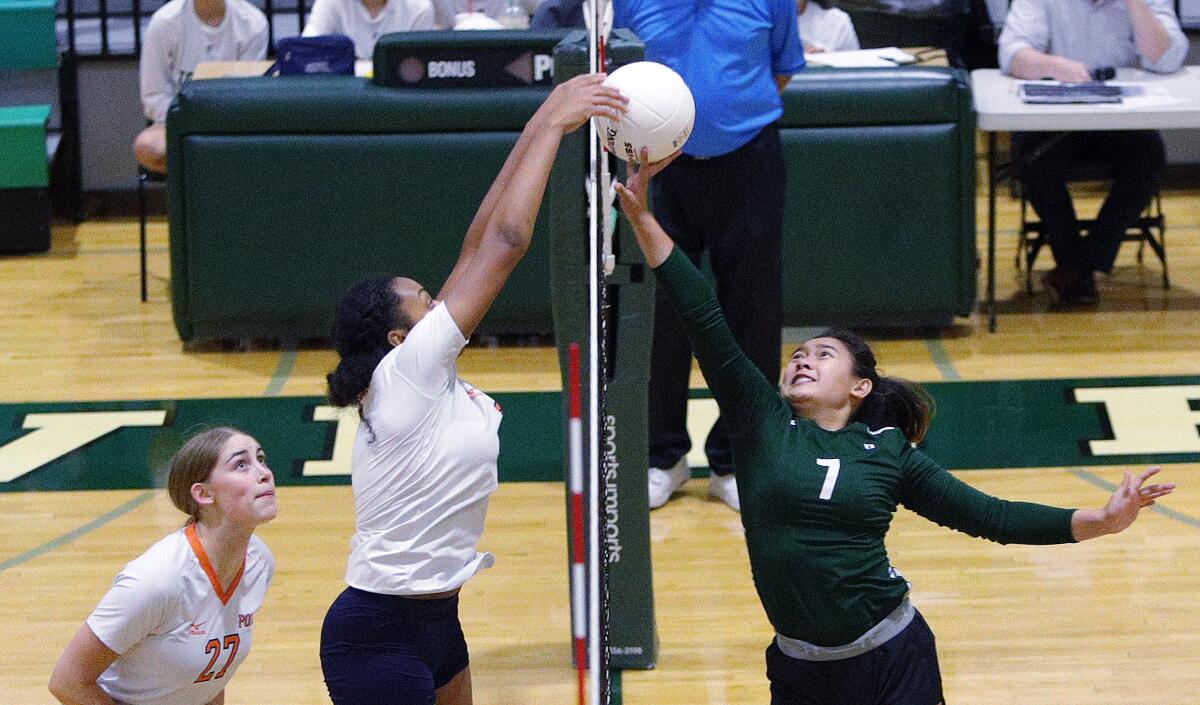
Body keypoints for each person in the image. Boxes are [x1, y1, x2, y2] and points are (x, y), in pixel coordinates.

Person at [614, 149, 1177, 705]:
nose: (802, 359)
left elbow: (992, 517)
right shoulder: (761, 423)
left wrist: (1101, 521)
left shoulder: (887, 452)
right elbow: (703, 315)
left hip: (892, 659)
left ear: (860, 387)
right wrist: (642, 217)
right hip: (799, 666)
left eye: (824, 354)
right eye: (799, 354)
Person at [318, 74, 625, 705]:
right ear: (398, 337)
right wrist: (557, 126)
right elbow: (506, 245)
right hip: (378, 631)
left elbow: (479, 237)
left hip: (438, 620)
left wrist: (541, 117)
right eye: (428, 302)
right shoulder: (406, 374)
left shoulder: (415, 369)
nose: (443, 303)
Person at [613, 0, 804, 512]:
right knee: (660, 310)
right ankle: (662, 456)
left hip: (750, 161)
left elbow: (782, 68)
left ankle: (738, 460)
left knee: (753, 310)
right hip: (657, 171)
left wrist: (725, 119)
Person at [49, 427, 277, 705]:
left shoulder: (258, 563)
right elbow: (67, 681)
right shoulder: (158, 580)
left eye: (261, 459)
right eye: (241, 464)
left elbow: (211, 679)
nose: (264, 473)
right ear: (204, 494)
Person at [998, 0, 1186, 305]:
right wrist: (1057, 66)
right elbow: (1011, 53)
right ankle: (1074, 263)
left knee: (1149, 157)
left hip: (1121, 118)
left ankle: (1080, 266)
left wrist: (1135, 4)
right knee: (1032, 161)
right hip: (1056, 117)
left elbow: (1167, 59)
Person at [133, 0, 268, 173]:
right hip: (178, 121)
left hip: (234, 123)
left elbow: (249, 95)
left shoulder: (253, 23)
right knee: (148, 146)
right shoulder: (164, 22)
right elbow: (154, 97)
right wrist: (189, 120)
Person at [303, 0, 435, 60]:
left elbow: (420, 67)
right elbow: (306, 50)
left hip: (399, 98)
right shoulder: (331, 3)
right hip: (345, 99)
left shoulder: (419, 8)